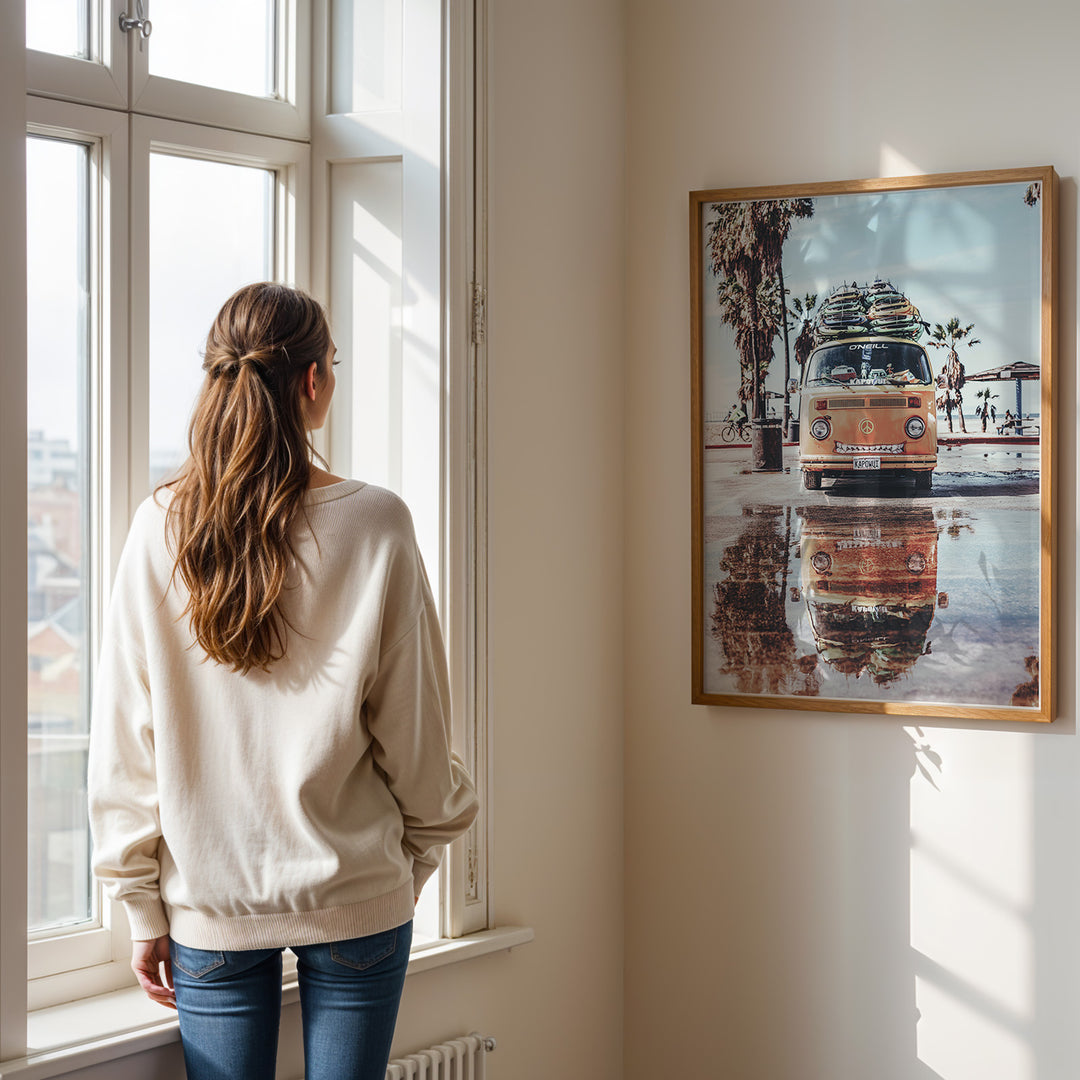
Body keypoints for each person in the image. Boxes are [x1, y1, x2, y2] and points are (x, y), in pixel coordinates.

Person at [88, 283, 479, 1080]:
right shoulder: (375, 523)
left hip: (209, 905)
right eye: (332, 364)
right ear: (311, 382)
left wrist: (140, 905)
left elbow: (126, 733)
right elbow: (415, 725)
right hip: (359, 891)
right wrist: (422, 852)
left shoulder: (158, 525)